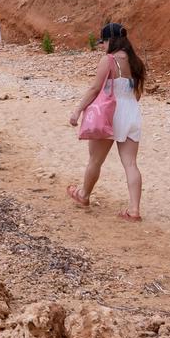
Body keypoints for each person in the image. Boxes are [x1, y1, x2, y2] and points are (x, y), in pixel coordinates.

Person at [67, 23, 146, 222]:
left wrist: (77, 110)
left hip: (110, 114)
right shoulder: (136, 62)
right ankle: (134, 210)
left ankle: (83, 195)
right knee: (130, 164)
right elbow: (137, 95)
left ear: (110, 40)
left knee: (95, 160)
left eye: (103, 42)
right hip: (131, 113)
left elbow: (95, 89)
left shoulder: (109, 60)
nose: (102, 46)